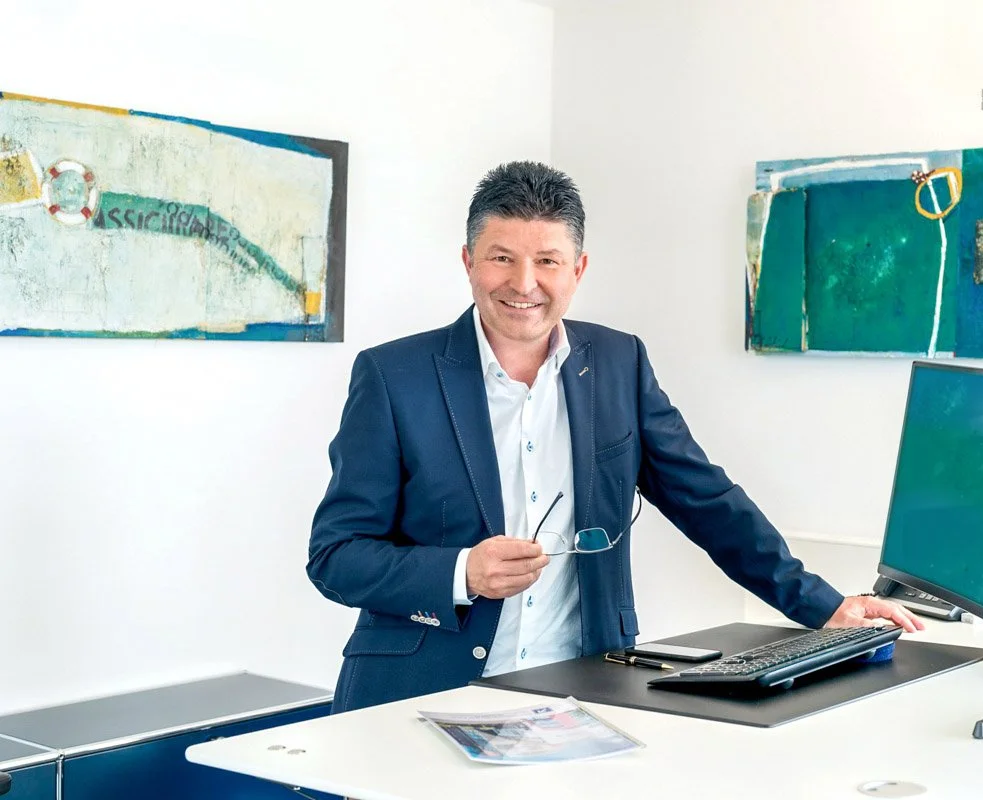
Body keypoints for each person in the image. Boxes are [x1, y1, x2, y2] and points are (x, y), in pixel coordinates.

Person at [307, 161, 922, 713]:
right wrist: (463, 571)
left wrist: (826, 606)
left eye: (547, 261)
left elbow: (706, 500)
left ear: (577, 270)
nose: (523, 283)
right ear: (468, 261)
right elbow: (336, 556)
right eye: (501, 257)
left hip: (579, 693)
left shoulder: (618, 363)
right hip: (417, 696)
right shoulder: (393, 377)